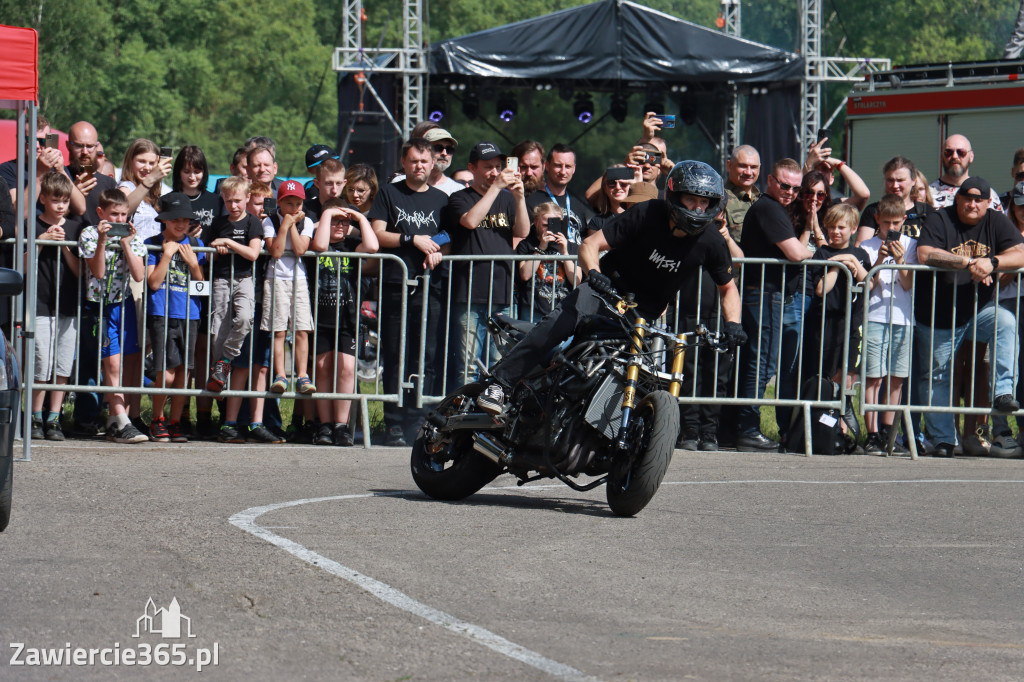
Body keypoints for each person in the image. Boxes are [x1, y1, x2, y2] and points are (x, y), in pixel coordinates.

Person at [476, 161, 745, 416]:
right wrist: (593, 273)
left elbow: (728, 288)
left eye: (704, 202)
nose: (698, 208)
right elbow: (589, 246)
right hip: (604, 291)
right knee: (555, 325)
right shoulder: (647, 213)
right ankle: (499, 383)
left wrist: (733, 324)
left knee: (631, 375)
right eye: (691, 200)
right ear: (675, 196)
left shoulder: (710, 241)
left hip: (643, 315)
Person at [915, 177, 1024, 458]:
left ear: (988, 203)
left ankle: (1002, 394)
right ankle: (943, 440)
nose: (972, 204)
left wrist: (993, 262)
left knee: (1006, 323)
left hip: (978, 309)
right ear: (958, 199)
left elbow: (1021, 252)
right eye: (967, 198)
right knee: (937, 376)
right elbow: (925, 253)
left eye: (979, 200)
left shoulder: (996, 221)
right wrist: (969, 263)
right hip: (938, 313)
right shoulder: (941, 219)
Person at [369, 138, 450, 447]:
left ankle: (419, 420)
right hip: (395, 285)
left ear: (433, 164)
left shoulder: (442, 199)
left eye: (424, 161)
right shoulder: (389, 193)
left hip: (430, 287)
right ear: (403, 163)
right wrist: (412, 239)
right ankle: (393, 422)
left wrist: (437, 248)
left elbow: (447, 235)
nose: (419, 166)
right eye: (413, 161)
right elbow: (378, 234)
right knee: (395, 355)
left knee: (425, 357)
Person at [734, 158, 807, 450]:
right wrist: (810, 249)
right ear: (771, 181)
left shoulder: (774, 208)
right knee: (761, 364)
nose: (790, 192)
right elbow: (797, 253)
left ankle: (744, 427)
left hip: (765, 293)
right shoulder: (769, 207)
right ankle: (748, 429)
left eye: (795, 188)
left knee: (762, 363)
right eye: (785, 185)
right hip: (763, 293)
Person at [445, 141, 529, 391]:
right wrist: (497, 188)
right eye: (488, 167)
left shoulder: (506, 199)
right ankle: (462, 415)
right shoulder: (459, 198)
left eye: (498, 167)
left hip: (502, 291)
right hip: (469, 292)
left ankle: (493, 413)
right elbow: (470, 221)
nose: (495, 172)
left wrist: (520, 198)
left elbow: (522, 231)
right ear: (472, 168)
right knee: (469, 364)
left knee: (499, 361)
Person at [77, 188, 149, 444]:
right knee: (112, 364)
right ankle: (121, 418)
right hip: (98, 306)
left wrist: (127, 243)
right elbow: (97, 272)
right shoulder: (88, 233)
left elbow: (139, 275)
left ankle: (114, 420)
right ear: (101, 213)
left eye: (123, 214)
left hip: (122, 304)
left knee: (118, 364)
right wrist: (101, 240)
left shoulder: (132, 235)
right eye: (114, 214)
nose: (119, 220)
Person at [309, 199, 379, 446]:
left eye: (344, 221)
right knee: (322, 368)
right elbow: (319, 243)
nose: (339, 225)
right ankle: (325, 425)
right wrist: (328, 214)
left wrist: (359, 218)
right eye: (334, 220)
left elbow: (372, 246)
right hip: (320, 318)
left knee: (347, 369)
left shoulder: (352, 244)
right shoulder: (316, 242)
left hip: (347, 318)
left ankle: (341, 425)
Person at [145, 193, 207, 443]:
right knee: (166, 371)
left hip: (190, 314)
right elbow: (153, 282)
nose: (180, 225)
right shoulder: (153, 243)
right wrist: (167, 255)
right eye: (174, 220)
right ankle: (157, 419)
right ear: (164, 220)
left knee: (184, 372)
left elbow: (201, 286)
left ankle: (175, 421)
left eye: (184, 220)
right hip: (163, 313)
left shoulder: (195, 245)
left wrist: (194, 264)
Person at [858, 194, 916, 456]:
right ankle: (871, 435)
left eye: (896, 223)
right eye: (886, 223)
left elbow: (907, 283)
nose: (891, 229)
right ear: (877, 220)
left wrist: (901, 260)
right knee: (873, 378)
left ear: (904, 220)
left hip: (903, 318)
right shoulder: (868, 245)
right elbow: (868, 286)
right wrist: (880, 260)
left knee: (896, 379)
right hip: (874, 316)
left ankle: (887, 432)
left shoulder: (911, 245)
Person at [30, 172, 81, 441]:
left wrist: (64, 247)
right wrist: (43, 240)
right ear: (43, 199)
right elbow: (23, 262)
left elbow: (79, 271)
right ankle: (35, 417)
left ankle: (54, 418)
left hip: (68, 305)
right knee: (41, 364)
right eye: (55, 200)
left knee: (62, 366)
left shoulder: (75, 226)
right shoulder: (33, 224)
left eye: (64, 201)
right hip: (39, 303)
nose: (60, 205)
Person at [203, 176, 263, 398]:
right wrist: (215, 252)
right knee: (218, 327)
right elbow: (209, 256)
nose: (234, 206)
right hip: (220, 279)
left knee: (245, 318)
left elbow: (253, 253)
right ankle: (219, 374)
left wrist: (228, 243)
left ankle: (225, 360)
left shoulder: (252, 223)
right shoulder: (218, 224)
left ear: (248, 197)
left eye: (238, 200)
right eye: (228, 201)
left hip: (244, 278)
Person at [262, 180, 316, 396]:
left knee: (302, 329)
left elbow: (301, 249)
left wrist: (293, 224)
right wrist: (284, 224)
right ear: (280, 203)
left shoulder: (308, 222)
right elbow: (275, 251)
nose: (294, 209)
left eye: (298, 204)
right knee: (279, 330)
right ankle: (281, 374)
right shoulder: (269, 221)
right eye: (289, 204)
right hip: (275, 279)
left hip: (299, 280)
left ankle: (302, 375)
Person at [515, 202, 580, 322]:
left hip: (563, 308)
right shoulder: (526, 245)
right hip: (533, 309)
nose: (549, 229)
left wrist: (565, 253)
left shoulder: (572, 247)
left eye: (556, 224)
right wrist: (541, 248)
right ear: (536, 222)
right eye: (545, 225)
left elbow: (577, 280)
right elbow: (525, 275)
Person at [856, 157, 935, 246]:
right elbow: (861, 248)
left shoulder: (927, 212)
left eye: (900, 180)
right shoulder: (873, 210)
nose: (895, 185)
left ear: (913, 181)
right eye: (890, 180)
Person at [524, 143, 593, 245]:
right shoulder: (531, 202)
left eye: (568, 166)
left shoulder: (579, 205)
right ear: (547, 166)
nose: (563, 171)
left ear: (574, 169)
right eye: (558, 165)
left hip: (573, 260)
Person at [929, 135, 1003, 210]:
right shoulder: (928, 194)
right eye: (948, 152)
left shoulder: (987, 194)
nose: (954, 156)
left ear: (971, 157)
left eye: (961, 152)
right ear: (942, 156)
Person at [722, 144, 761, 243]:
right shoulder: (720, 199)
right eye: (743, 166)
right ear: (729, 166)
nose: (748, 172)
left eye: (753, 167)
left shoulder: (763, 200)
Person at [584, 165, 633, 236]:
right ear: (605, 188)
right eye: (611, 183)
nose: (618, 187)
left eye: (623, 183)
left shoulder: (640, 215)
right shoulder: (597, 222)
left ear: (630, 185)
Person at [303, 157, 347, 222]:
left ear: (344, 183)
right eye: (329, 183)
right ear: (317, 184)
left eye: (338, 183)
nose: (334, 190)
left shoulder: (353, 213)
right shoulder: (304, 211)